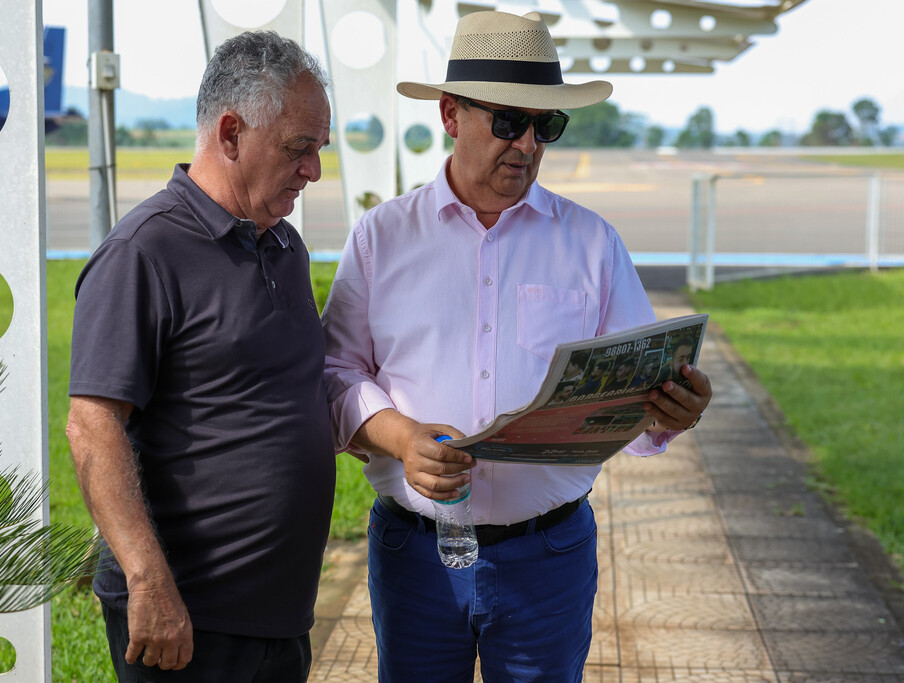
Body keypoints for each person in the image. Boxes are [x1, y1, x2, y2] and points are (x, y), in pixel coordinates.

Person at [321, 10, 712, 682]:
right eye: (508, 121)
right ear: (450, 114)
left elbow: (636, 385)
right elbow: (336, 372)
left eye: (546, 126)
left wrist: (667, 408)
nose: (527, 144)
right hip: (416, 556)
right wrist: (400, 437)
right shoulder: (381, 238)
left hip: (549, 556)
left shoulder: (592, 243)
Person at [66, 31, 335, 682]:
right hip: (185, 624)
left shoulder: (286, 248)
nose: (314, 171)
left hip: (280, 618)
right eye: (300, 148)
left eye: (318, 151)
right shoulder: (144, 252)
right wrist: (147, 582)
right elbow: (92, 426)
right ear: (232, 132)